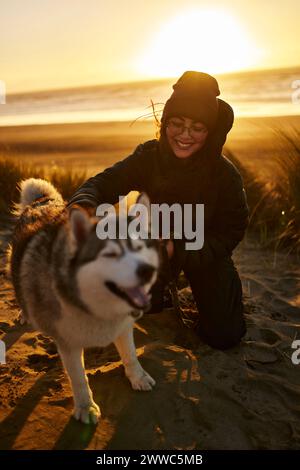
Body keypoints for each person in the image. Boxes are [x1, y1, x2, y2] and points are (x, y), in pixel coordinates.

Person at [67, 71, 249, 350]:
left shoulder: (225, 176)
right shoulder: (148, 157)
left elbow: (233, 229)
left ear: (209, 132)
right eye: (177, 123)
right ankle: (156, 292)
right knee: (139, 307)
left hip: (203, 253)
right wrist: (82, 205)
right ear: (165, 124)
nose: (185, 135)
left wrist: (184, 251)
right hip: (151, 248)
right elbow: (102, 183)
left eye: (197, 127)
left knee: (225, 335)